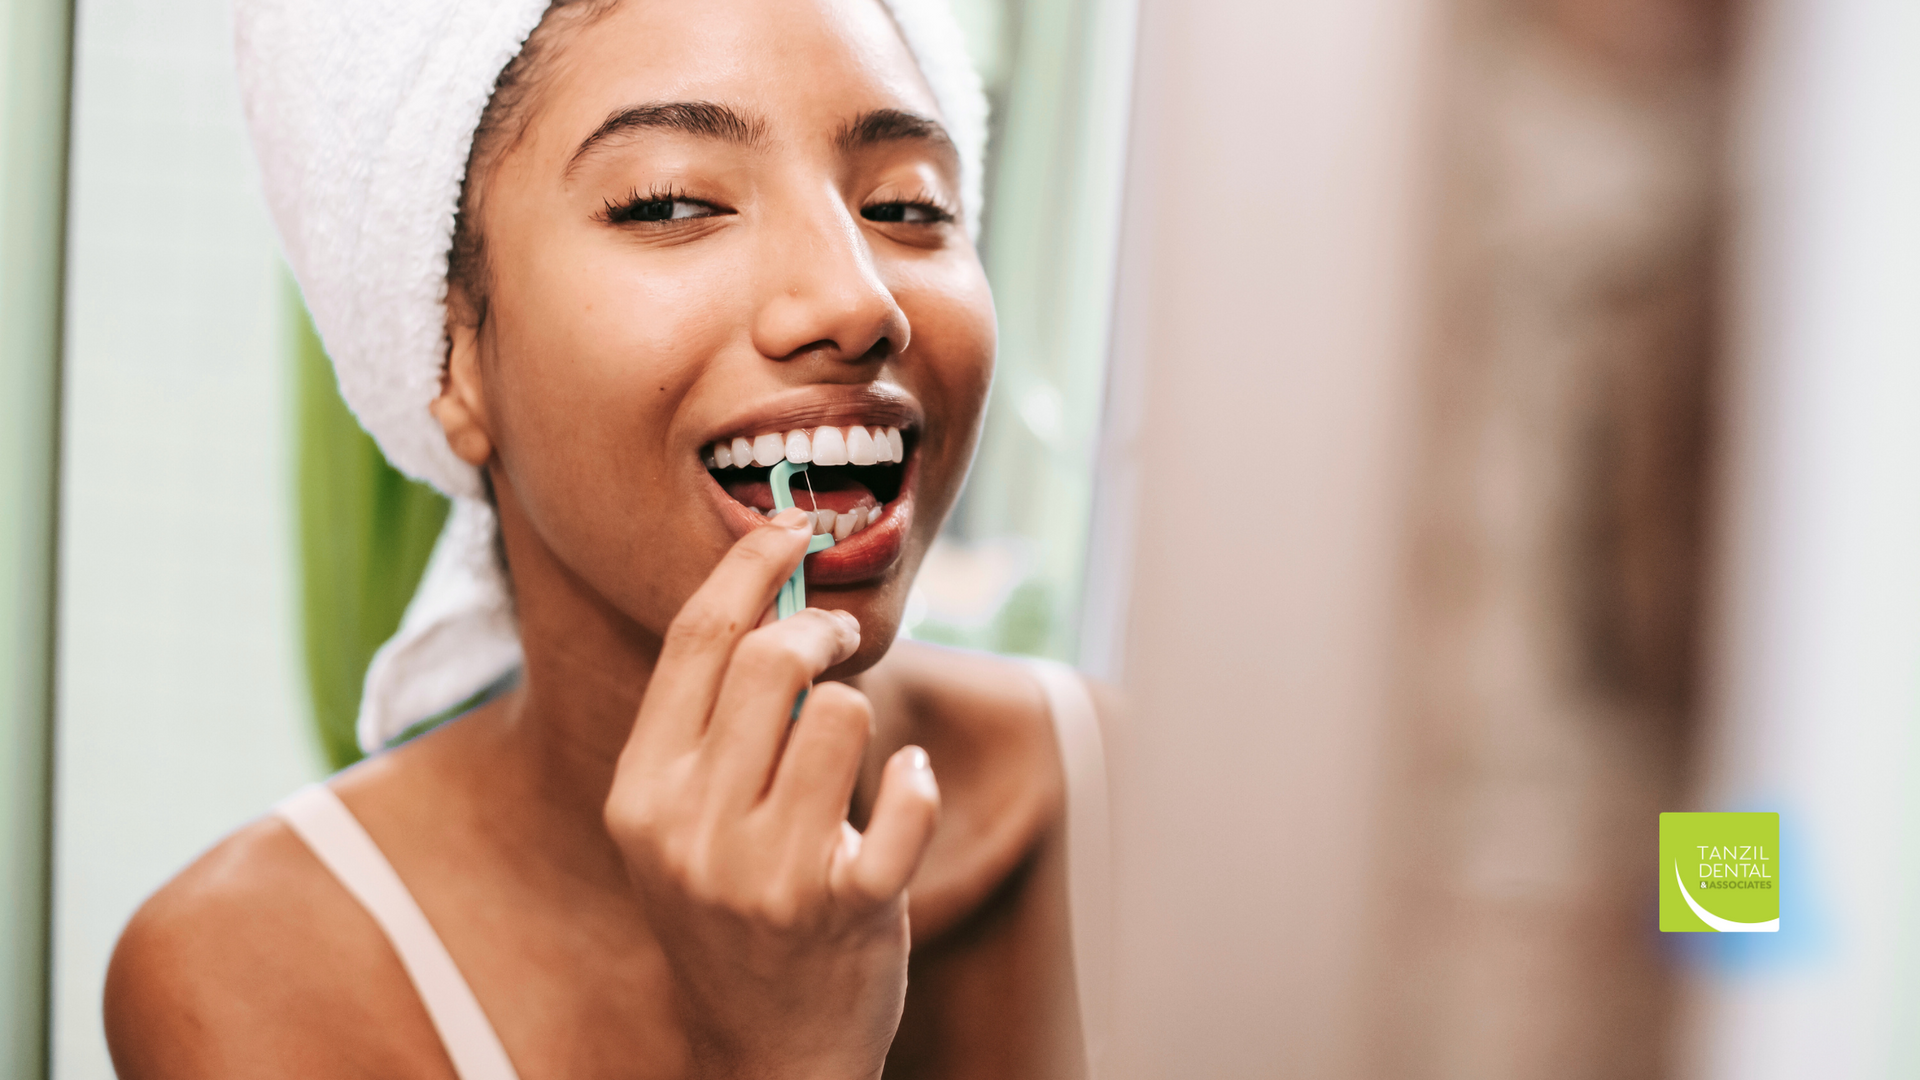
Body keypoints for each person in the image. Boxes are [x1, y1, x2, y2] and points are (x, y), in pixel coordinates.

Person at [100, 0, 1109, 1076]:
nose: (857, 299)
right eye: (670, 201)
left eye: (909, 206)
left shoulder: (1138, 800)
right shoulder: (252, 980)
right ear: (449, 355)